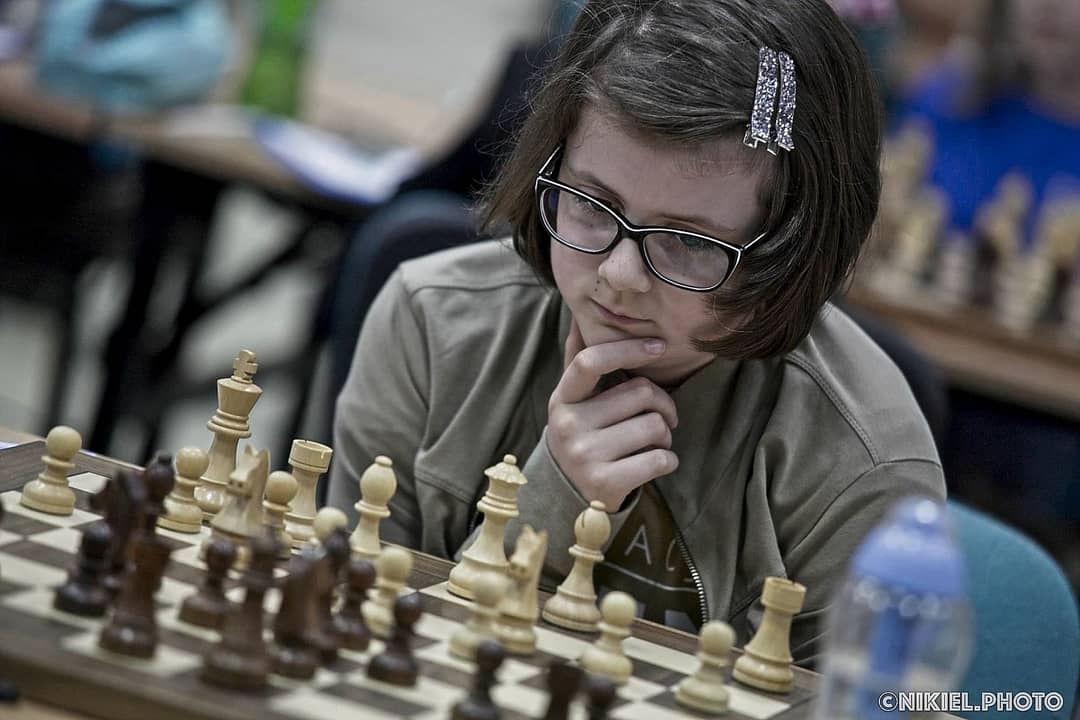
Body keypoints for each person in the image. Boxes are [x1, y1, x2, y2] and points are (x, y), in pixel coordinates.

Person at [328, 0, 945, 663]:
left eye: (689, 241)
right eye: (594, 204)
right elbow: (348, 641)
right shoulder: (431, 323)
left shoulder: (864, 462)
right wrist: (552, 503)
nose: (619, 274)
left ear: (789, 253)